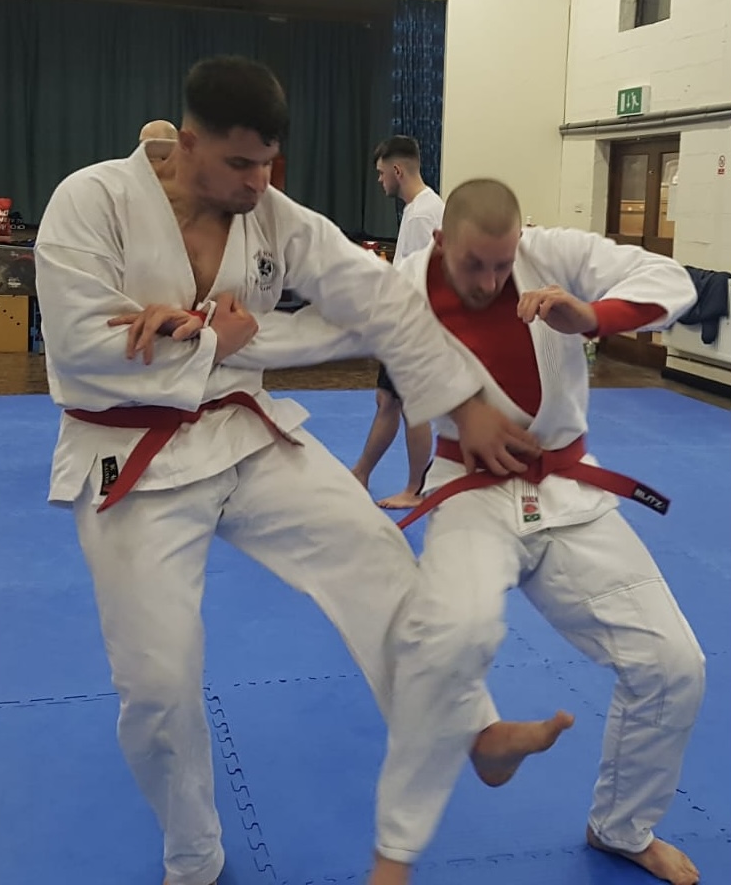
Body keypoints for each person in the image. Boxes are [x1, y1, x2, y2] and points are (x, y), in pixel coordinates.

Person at [34, 57, 558, 885]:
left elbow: (383, 298)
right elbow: (75, 342)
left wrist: (467, 402)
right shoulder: (91, 201)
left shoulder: (274, 216)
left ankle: (473, 731)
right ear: (187, 143)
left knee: (375, 552)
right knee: (158, 685)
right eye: (239, 164)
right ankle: (194, 853)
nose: (257, 182)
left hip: (244, 433)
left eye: (268, 163)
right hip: (128, 454)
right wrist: (215, 340)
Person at [233, 179, 705, 885]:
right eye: (474, 264)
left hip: (568, 490)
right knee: (450, 641)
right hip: (470, 494)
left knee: (675, 665)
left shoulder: (550, 253)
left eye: (502, 264)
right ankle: (396, 854)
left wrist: (593, 316)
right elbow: (319, 329)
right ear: (441, 242)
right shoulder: (404, 287)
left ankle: (622, 826)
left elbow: (668, 278)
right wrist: (217, 331)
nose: (490, 280)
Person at [352, 137, 444, 510]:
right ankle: (361, 473)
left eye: (380, 174)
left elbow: (427, 278)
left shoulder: (423, 213)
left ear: (397, 170)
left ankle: (413, 488)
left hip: (417, 325)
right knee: (388, 400)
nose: (379, 181)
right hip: (411, 322)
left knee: (407, 405)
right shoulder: (421, 208)